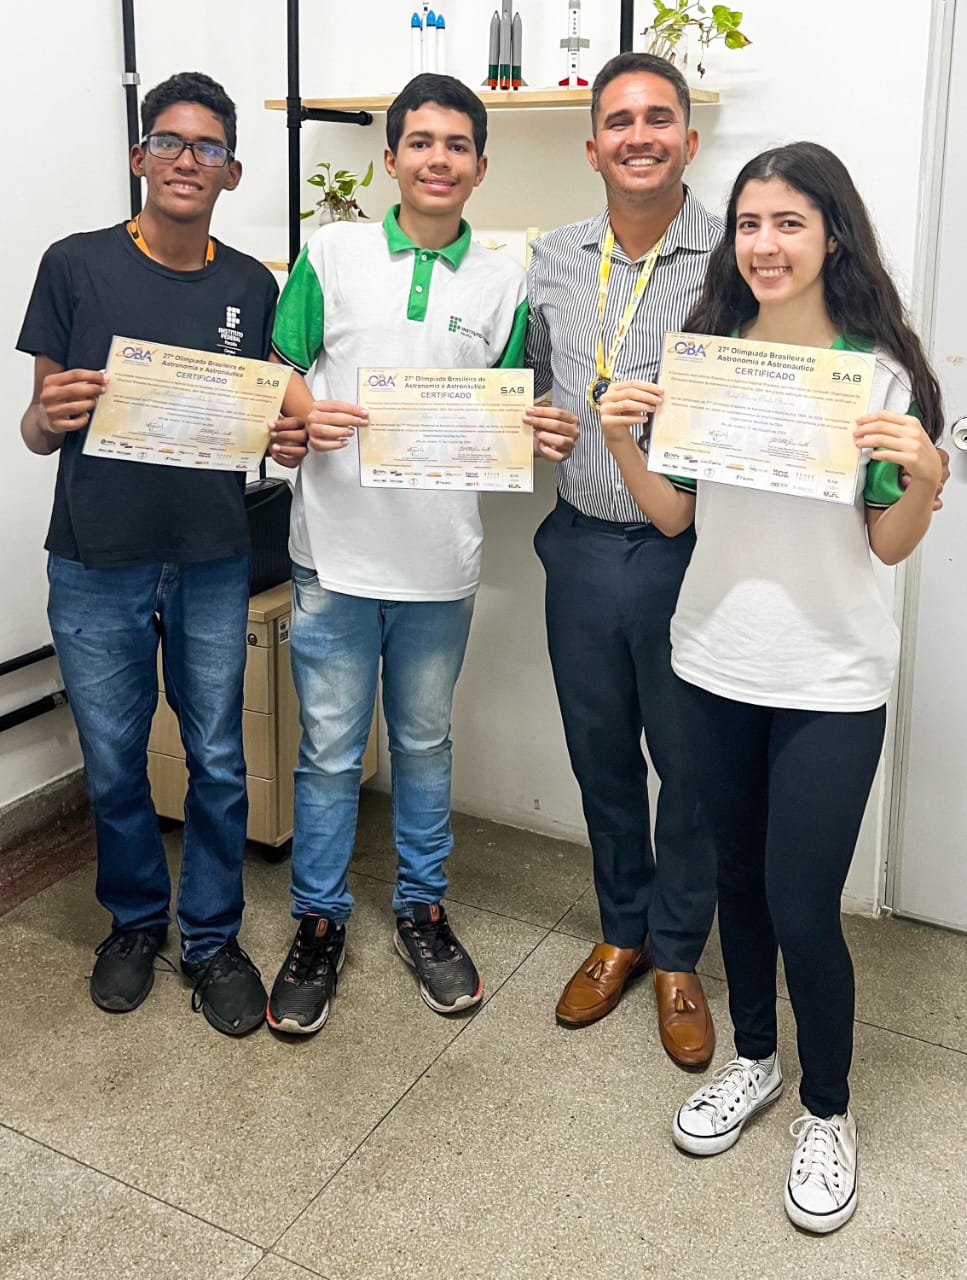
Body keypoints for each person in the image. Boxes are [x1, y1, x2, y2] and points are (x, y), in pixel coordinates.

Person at [597, 141, 944, 1233]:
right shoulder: (707, 359)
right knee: (736, 884)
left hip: (830, 675)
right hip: (713, 659)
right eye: (749, 223)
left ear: (832, 235)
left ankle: (827, 1110)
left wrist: (928, 477)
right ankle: (754, 1058)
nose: (763, 243)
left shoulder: (875, 375)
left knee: (801, 903)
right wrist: (622, 443)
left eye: (788, 222)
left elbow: (886, 543)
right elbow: (673, 515)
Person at [266, 73, 579, 1036]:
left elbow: (505, 414)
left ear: (480, 167)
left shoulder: (504, 279)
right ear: (390, 157)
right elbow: (280, 373)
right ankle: (318, 921)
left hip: (440, 563)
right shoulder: (332, 251)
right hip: (332, 557)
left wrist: (537, 432)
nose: (437, 159)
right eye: (420, 142)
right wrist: (308, 415)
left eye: (456, 146)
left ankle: (421, 911)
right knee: (327, 752)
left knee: (424, 746)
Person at [17, 71, 307, 1037]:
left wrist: (286, 439)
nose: (189, 160)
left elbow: (257, 421)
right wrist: (47, 416)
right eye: (171, 142)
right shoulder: (75, 264)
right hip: (94, 554)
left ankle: (213, 937)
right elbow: (38, 428)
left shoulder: (250, 285)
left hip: (212, 556)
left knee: (217, 758)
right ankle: (136, 922)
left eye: (208, 147)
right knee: (112, 760)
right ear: (141, 156)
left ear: (233, 171)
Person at [526, 52, 717, 1067]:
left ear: (689, 138)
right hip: (580, 545)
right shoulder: (553, 256)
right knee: (599, 754)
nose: (638, 135)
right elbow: (527, 378)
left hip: (691, 554)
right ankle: (623, 930)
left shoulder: (736, 256)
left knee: (689, 765)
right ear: (592, 145)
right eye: (619, 121)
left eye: (657, 118)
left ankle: (679, 953)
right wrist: (529, 423)